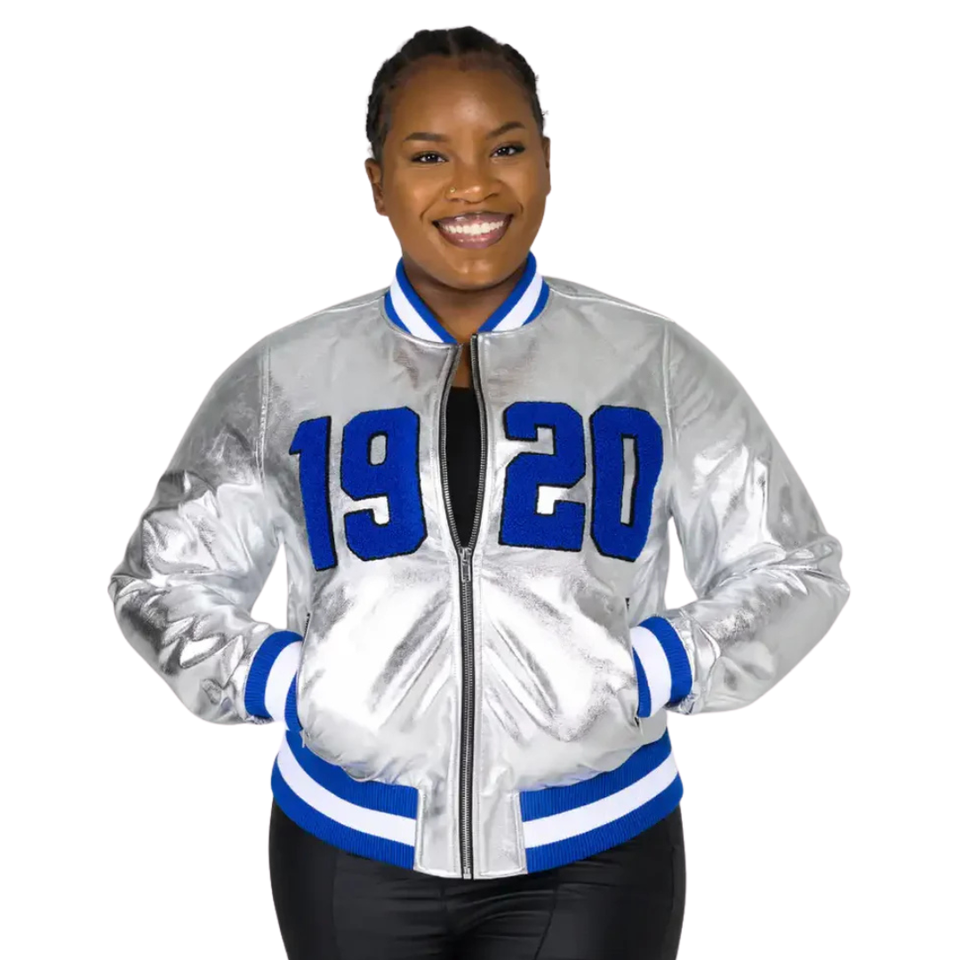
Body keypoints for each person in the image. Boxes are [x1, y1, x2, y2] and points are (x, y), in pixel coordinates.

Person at [107, 25, 851, 960]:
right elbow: (158, 583)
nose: (472, 186)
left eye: (505, 148)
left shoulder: (651, 364)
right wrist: (291, 682)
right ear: (377, 182)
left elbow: (796, 568)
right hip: (348, 846)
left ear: (547, 162)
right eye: (429, 156)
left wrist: (649, 667)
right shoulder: (286, 377)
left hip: (598, 846)